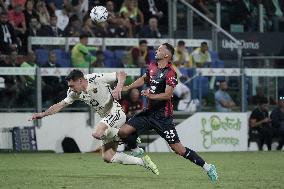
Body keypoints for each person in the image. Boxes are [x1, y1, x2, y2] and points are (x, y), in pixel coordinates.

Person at [118, 43, 218, 182]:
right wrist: (128, 87)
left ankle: (208, 167)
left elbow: (167, 95)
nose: (156, 51)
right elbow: (144, 79)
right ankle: (136, 150)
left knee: (179, 149)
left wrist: (150, 95)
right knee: (122, 132)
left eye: (159, 50)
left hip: (163, 117)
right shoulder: (152, 65)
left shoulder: (170, 72)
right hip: (148, 113)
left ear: (166, 55)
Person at [29, 69, 159, 175]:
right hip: (106, 119)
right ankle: (142, 161)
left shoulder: (95, 78)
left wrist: (118, 87)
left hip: (116, 113)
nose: (71, 88)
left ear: (80, 80)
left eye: (72, 85)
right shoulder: (74, 93)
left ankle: (128, 137)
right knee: (108, 157)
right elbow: (60, 105)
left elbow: (121, 74)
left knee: (97, 133)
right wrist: (43, 114)